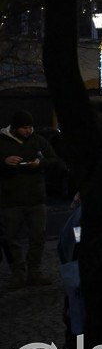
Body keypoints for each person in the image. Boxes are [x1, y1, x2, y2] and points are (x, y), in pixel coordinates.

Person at [0, 110, 61, 289]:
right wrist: (5, 163)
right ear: (15, 127)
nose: (27, 131)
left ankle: (34, 271)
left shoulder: (38, 140)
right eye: (24, 128)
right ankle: (17, 273)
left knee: (38, 237)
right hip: (10, 200)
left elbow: (54, 160)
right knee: (11, 239)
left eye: (29, 127)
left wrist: (40, 164)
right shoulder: (2, 142)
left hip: (35, 198)